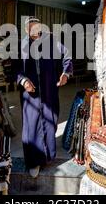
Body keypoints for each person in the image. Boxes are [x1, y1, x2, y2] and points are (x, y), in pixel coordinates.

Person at [15, 17, 73, 178]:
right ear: (26, 30)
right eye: (31, 28)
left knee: (50, 122)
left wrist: (66, 74)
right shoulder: (21, 46)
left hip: (49, 91)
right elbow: (15, 68)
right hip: (30, 94)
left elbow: (66, 56)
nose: (35, 31)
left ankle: (47, 157)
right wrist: (23, 80)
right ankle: (33, 162)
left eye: (37, 27)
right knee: (31, 126)